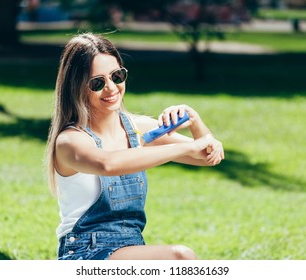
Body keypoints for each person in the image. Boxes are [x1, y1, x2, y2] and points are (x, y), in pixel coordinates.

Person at [45, 32, 224, 260]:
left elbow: (206, 156)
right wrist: (186, 147)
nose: (111, 88)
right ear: (77, 87)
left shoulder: (137, 129)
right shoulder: (70, 141)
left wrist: (194, 119)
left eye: (116, 76)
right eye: (97, 83)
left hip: (130, 249)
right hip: (84, 253)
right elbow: (108, 164)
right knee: (180, 257)